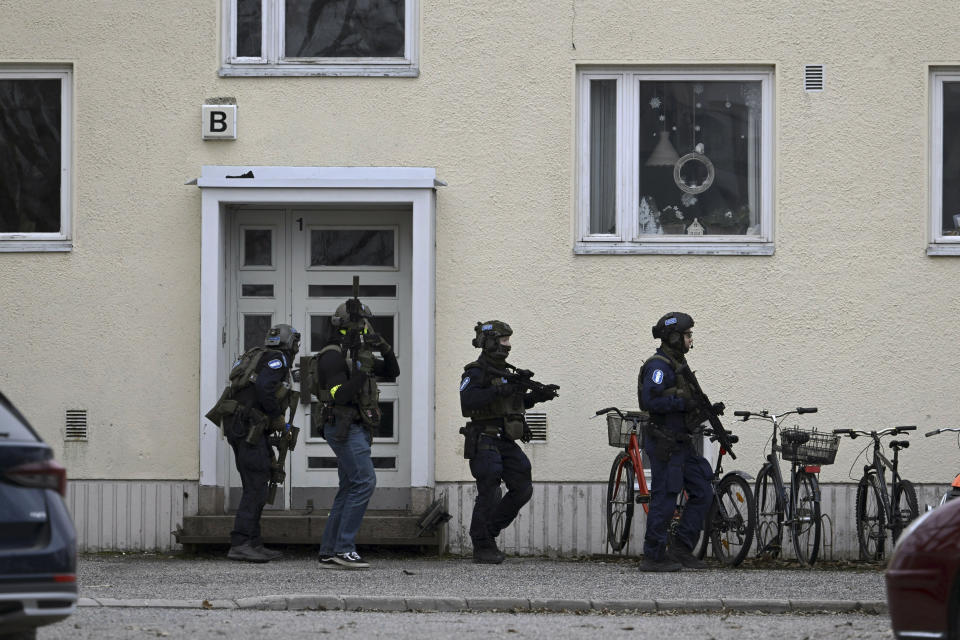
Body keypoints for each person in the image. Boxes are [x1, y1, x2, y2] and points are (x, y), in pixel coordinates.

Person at [459, 321, 558, 564]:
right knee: (490, 488)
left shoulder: (507, 372)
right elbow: (467, 401)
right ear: (491, 341)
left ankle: (488, 532)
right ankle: (482, 546)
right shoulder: (476, 372)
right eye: (504, 340)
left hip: (504, 439)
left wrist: (537, 397)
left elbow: (513, 404)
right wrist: (499, 391)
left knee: (523, 486)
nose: (508, 345)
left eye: (508, 341)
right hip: (484, 437)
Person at [312, 296, 399, 569]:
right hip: (343, 427)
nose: (365, 329)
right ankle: (344, 549)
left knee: (349, 487)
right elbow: (340, 395)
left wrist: (383, 347)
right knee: (364, 482)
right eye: (361, 325)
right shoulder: (332, 355)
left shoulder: (356, 355)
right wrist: (361, 371)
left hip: (355, 427)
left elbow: (394, 371)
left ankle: (329, 551)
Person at [637, 312, 716, 572]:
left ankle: (681, 548)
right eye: (687, 335)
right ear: (673, 337)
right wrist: (683, 402)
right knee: (666, 496)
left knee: (703, 489)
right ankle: (654, 556)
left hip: (682, 442)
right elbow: (651, 401)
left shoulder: (677, 364)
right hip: (666, 443)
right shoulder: (658, 367)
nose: (690, 340)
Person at [225, 323, 300, 563]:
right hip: (250, 428)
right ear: (290, 343)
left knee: (255, 483)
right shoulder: (278, 358)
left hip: (241, 427)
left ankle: (253, 543)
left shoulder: (258, 356)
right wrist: (277, 415)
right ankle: (241, 543)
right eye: (295, 343)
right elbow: (264, 387)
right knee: (256, 485)